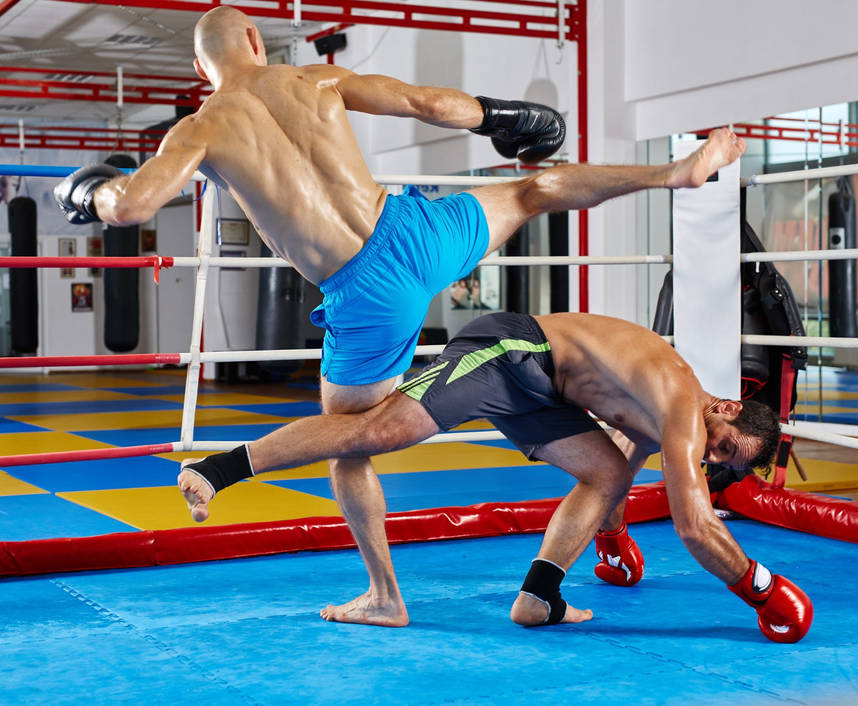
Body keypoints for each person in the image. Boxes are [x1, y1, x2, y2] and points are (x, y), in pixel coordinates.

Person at [55, 4, 747, 625]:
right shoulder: (315, 80)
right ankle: (672, 173)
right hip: (416, 232)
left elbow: (133, 207)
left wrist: (93, 195)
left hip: (365, 294)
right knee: (535, 189)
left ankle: (383, 592)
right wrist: (500, 116)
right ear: (256, 43)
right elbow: (430, 105)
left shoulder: (199, 129)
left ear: (203, 66)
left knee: (351, 443)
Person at [177, 311, 813, 643]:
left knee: (603, 471)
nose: (710, 456)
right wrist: (762, 588)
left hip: (541, 392)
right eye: (724, 445)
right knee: (378, 432)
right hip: (510, 352)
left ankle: (539, 597)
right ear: (725, 407)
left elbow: (618, 480)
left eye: (721, 463)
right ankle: (219, 468)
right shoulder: (680, 403)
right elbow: (694, 525)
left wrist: (613, 540)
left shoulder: (664, 423)